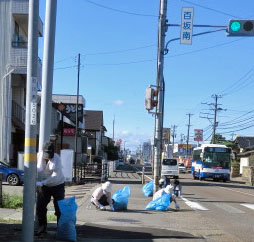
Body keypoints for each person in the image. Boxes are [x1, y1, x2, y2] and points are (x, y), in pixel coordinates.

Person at [35, 141, 65, 235]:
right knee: (40, 207)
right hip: (44, 186)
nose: (48, 156)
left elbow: (55, 176)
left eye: (49, 154)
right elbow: (33, 169)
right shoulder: (38, 156)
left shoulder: (57, 158)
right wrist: (36, 183)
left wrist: (42, 183)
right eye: (46, 154)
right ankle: (42, 227)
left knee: (59, 208)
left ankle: (60, 229)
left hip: (58, 185)